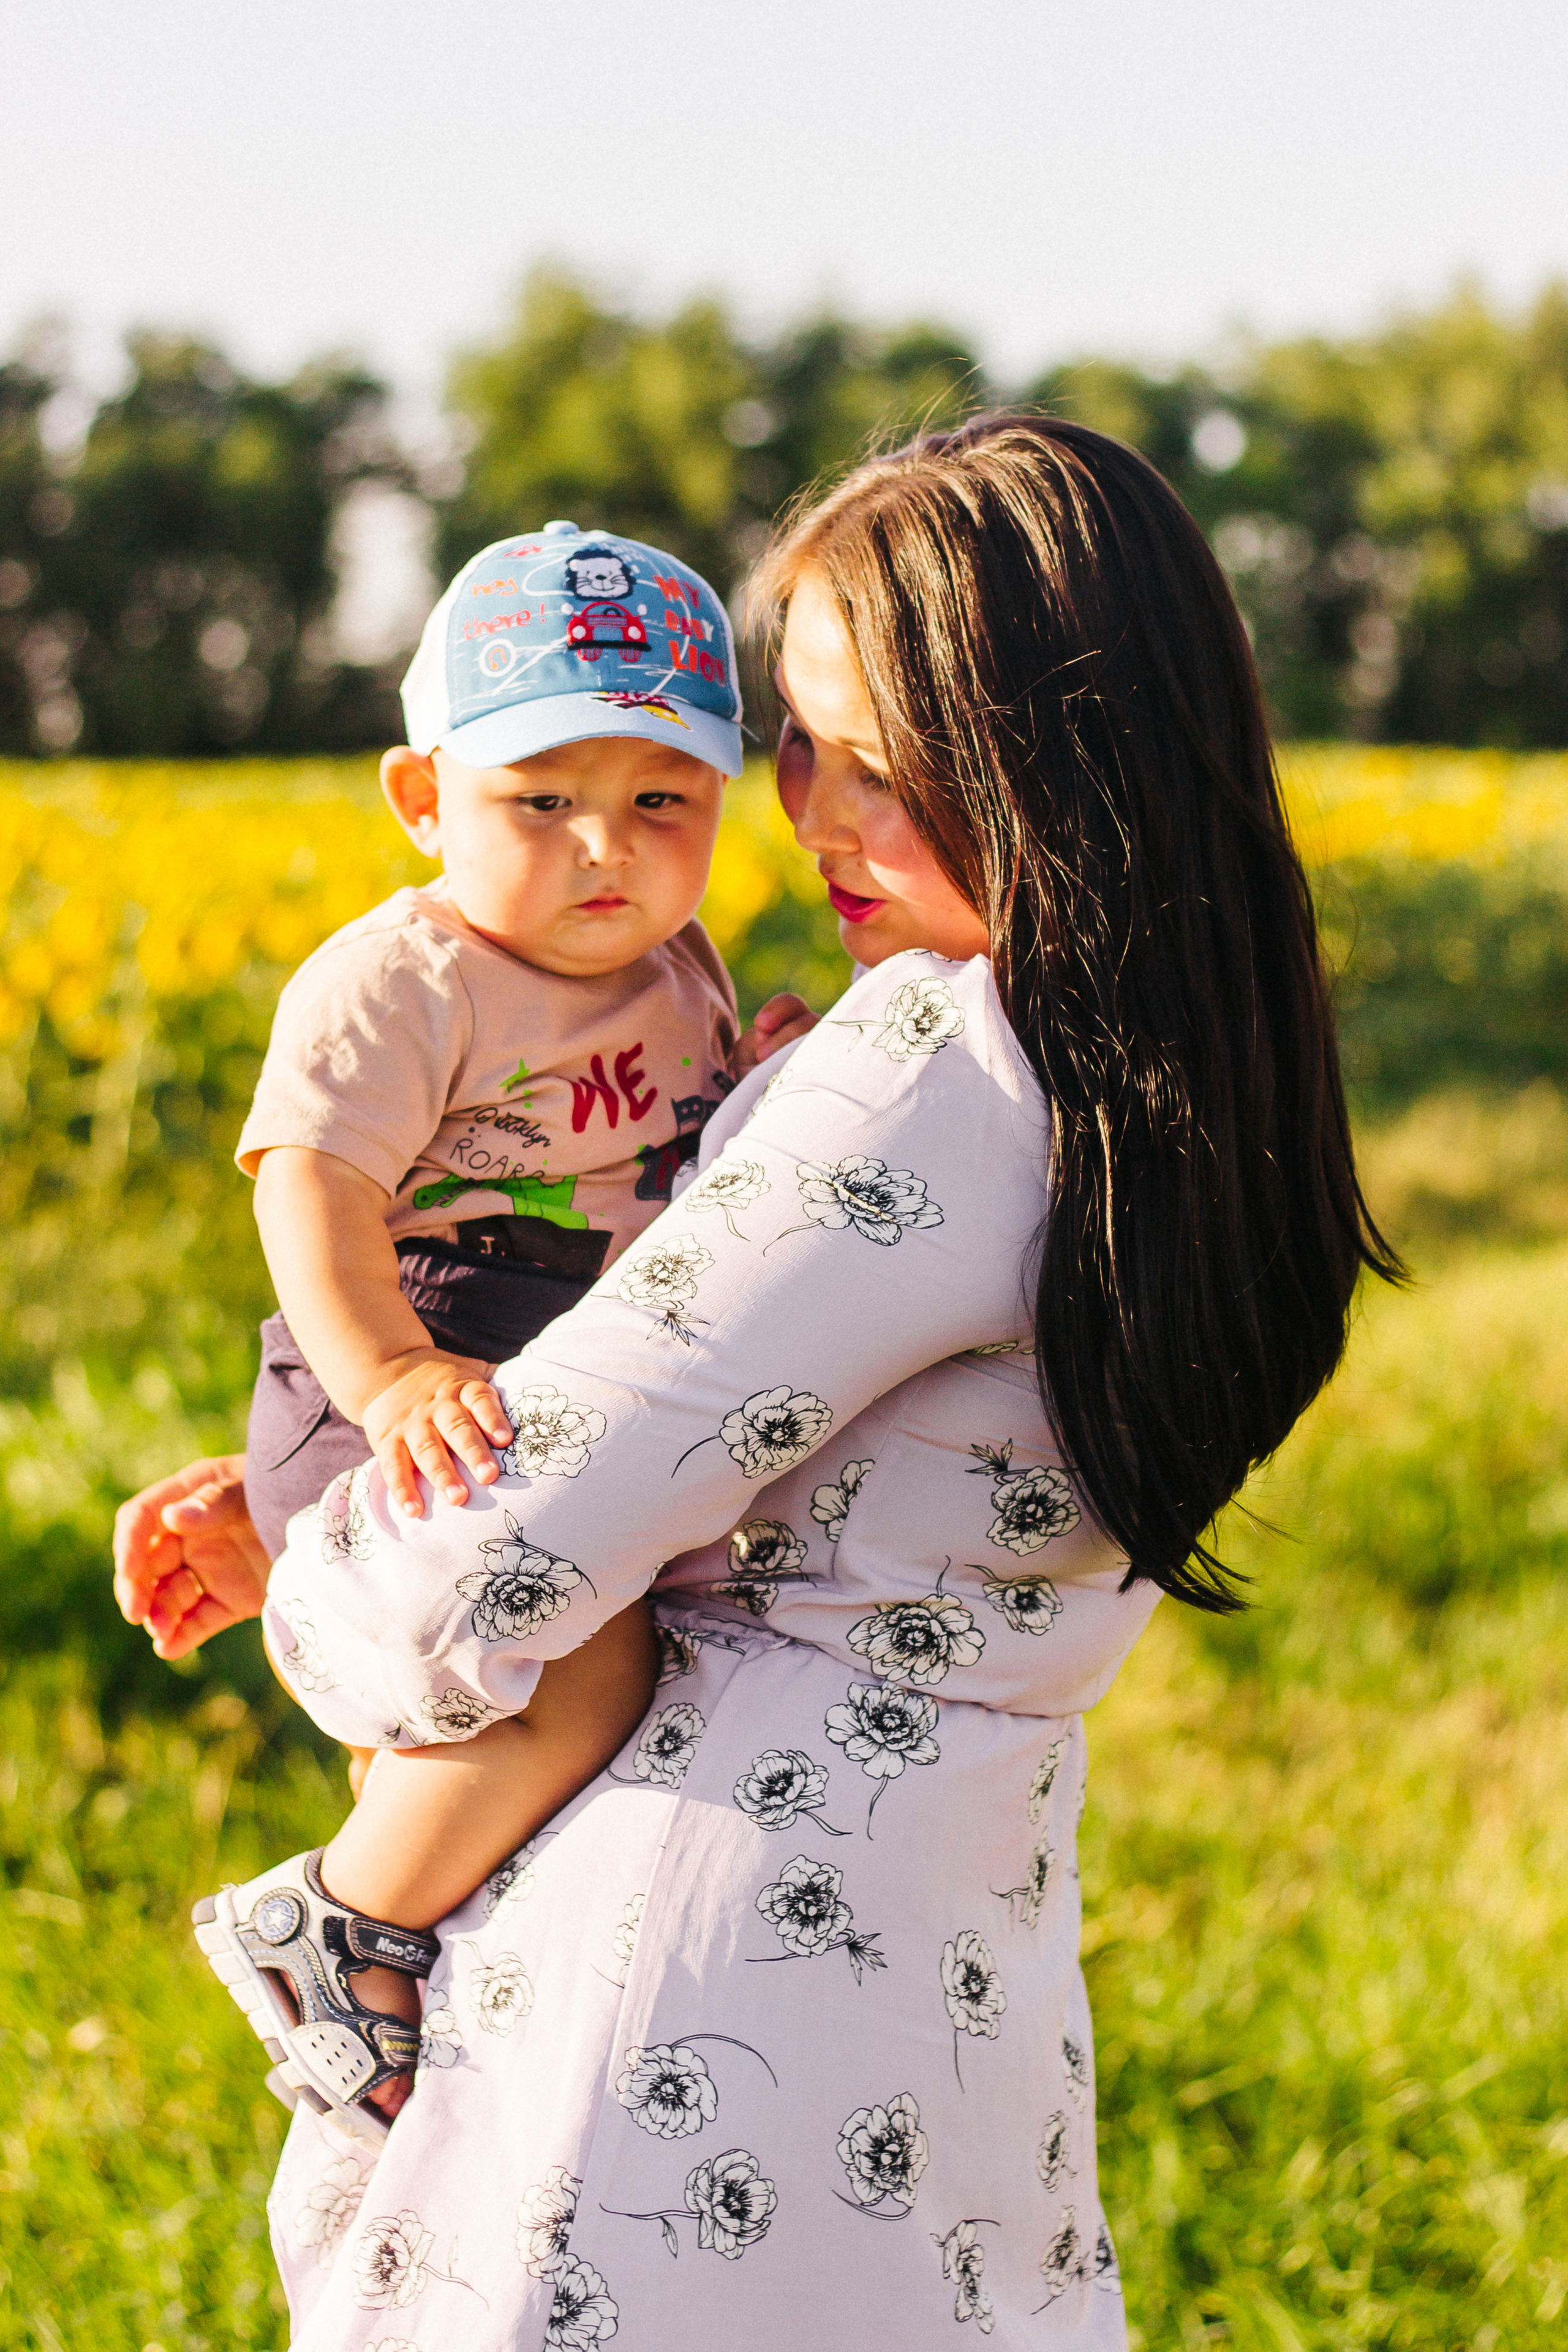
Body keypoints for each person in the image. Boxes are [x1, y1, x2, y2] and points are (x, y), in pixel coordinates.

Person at [115, 413, 1393, 2347]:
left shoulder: (930, 1071)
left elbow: (454, 1586)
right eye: (795, 747)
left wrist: (320, 1555)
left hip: (664, 2021)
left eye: (878, 764)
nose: (814, 818)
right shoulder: (1196, 1104)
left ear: (1054, 765)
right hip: (956, 2008)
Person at [177, 519, 814, 2136]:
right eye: (542, 802)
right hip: (412, 1353)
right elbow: (307, 1190)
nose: (607, 848)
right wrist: (384, 1378)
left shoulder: (678, 967)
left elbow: (665, 1153)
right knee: (574, 1668)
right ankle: (329, 1924)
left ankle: (442, 1941)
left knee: (580, 1691)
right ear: (423, 800)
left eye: (659, 801)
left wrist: (769, 1077)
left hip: (564, 1370)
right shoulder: (403, 982)